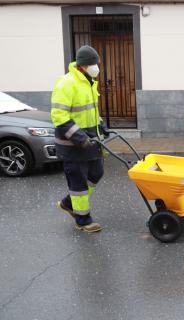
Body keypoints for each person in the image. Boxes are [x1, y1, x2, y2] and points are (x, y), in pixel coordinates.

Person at [51, 45, 109, 233]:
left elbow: (91, 111)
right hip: (73, 145)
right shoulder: (66, 83)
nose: (96, 67)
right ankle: (83, 221)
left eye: (97, 64)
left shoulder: (90, 81)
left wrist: (101, 125)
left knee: (97, 173)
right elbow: (59, 116)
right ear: (82, 65)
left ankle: (69, 203)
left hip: (91, 141)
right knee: (78, 183)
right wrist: (79, 137)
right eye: (93, 64)